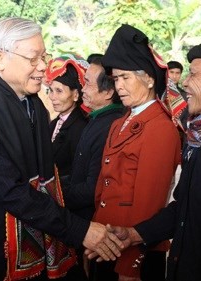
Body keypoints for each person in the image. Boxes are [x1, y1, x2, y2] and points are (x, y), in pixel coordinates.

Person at [0, 17, 123, 281]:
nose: (42, 67)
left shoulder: (32, 104)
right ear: (1, 59)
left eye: (44, 56)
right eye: (33, 59)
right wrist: (79, 229)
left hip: (31, 243)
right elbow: (12, 191)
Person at [97, 30, 201, 281]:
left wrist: (131, 263)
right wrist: (135, 234)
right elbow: (185, 207)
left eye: (193, 74)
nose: (184, 83)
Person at [90, 24, 181, 281]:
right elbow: (103, 188)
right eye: (116, 79)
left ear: (149, 79)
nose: (119, 86)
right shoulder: (120, 122)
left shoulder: (160, 128)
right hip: (106, 241)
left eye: (125, 77)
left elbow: (149, 205)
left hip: (132, 252)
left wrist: (131, 267)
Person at [62, 56, 124, 278]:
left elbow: (92, 187)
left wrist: (58, 195)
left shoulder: (109, 125)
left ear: (108, 92)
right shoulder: (97, 120)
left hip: (94, 226)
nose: (82, 88)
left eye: (87, 82)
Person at [46, 54, 89, 180]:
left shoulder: (81, 127)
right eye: (51, 90)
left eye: (59, 91)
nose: (52, 97)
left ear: (76, 94)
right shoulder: (54, 123)